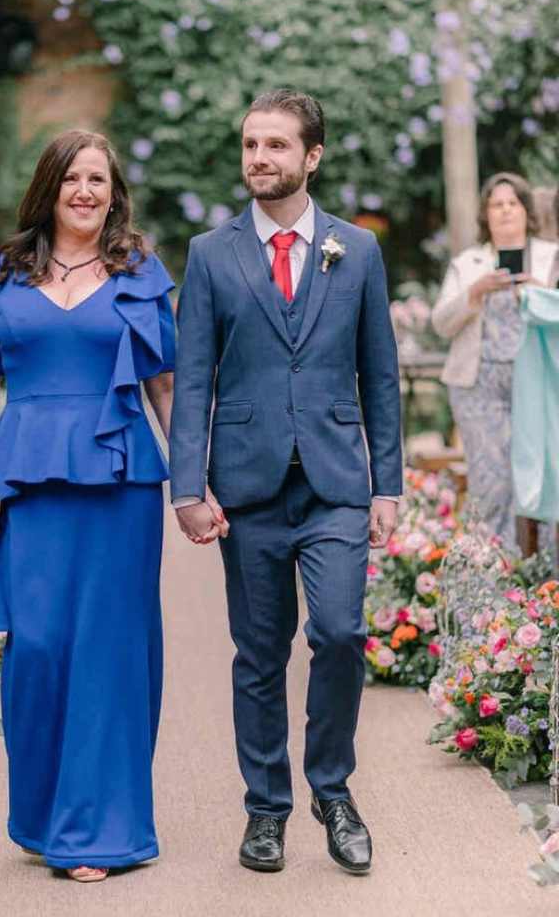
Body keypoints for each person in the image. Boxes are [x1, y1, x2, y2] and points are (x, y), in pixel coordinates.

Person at [0, 130, 193, 882]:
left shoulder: (139, 273)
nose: (86, 191)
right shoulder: (6, 271)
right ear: (49, 186)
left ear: (115, 192)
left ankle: (98, 832)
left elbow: (166, 388)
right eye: (73, 178)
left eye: (100, 179)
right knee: (39, 650)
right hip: (29, 484)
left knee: (109, 653)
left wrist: (192, 483)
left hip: (118, 487)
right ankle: (43, 813)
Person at [169, 90, 402, 876]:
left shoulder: (357, 251)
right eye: (249, 144)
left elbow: (382, 374)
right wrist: (187, 486)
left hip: (336, 482)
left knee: (340, 634)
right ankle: (265, 810)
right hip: (248, 487)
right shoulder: (210, 254)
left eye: (275, 145)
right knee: (259, 654)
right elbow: (192, 379)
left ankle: (332, 790)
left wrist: (388, 484)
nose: (258, 158)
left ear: (313, 156)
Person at [432, 172, 559, 548]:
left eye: (512, 203)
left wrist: (541, 292)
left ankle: (545, 583)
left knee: (544, 476)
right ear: (485, 214)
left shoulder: (552, 257)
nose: (505, 211)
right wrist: (474, 293)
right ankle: (495, 582)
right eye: (496, 204)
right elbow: (440, 323)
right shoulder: (469, 262)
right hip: (479, 386)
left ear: (526, 210)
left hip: (538, 383)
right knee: (492, 483)